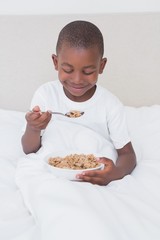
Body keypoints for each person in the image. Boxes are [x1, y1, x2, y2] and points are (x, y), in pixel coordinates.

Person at [21, 20, 136, 186]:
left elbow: (128, 155)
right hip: (52, 173)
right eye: (68, 70)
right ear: (56, 62)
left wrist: (115, 173)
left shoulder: (110, 105)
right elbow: (29, 150)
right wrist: (33, 127)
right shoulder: (46, 94)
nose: (77, 80)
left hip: (92, 175)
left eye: (88, 72)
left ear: (101, 66)